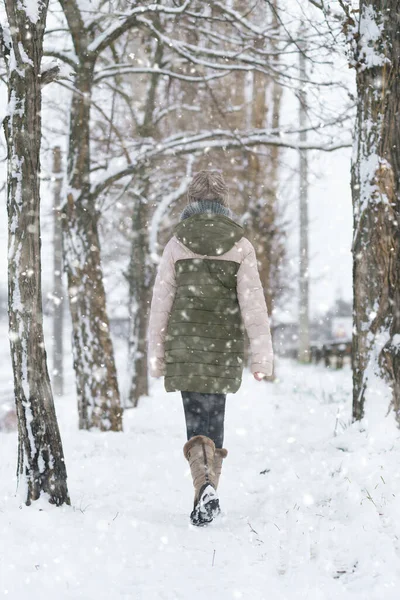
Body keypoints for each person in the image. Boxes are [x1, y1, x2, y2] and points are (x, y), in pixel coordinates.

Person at [148, 170, 273, 526]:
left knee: (195, 426)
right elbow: (253, 307)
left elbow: (162, 305)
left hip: (185, 349)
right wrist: (261, 357)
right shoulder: (241, 245)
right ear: (224, 203)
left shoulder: (176, 244)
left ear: (192, 201)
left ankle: (203, 488)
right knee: (214, 425)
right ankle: (208, 489)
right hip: (223, 349)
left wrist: (158, 356)